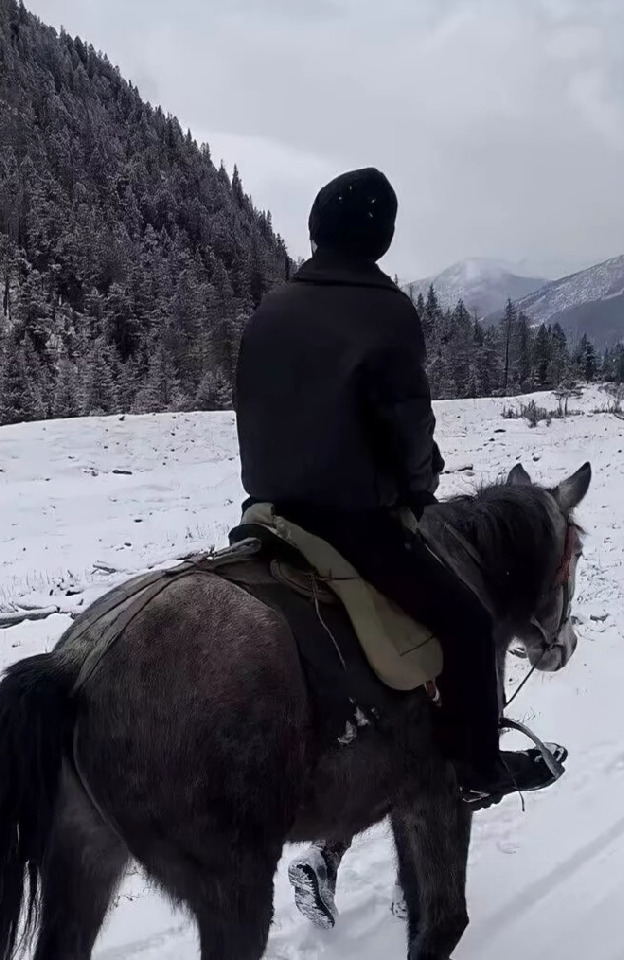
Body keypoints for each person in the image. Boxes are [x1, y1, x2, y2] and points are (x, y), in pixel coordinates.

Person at [232, 167, 562, 810]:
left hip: (265, 513)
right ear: (380, 236)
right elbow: (409, 427)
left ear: (317, 229)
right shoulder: (384, 311)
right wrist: (419, 485)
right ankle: (477, 768)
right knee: (468, 624)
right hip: (351, 525)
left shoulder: (272, 305)